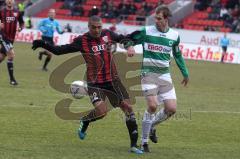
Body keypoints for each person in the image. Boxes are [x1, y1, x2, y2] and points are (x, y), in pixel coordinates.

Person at [32, 15, 143, 154]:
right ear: (89, 27)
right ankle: (85, 121)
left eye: (99, 27)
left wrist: (129, 46)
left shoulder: (108, 34)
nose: (97, 30)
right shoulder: (82, 41)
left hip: (113, 80)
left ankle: (133, 145)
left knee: (128, 108)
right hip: (94, 83)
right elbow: (60, 50)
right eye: (94, 28)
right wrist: (43, 44)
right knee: (102, 112)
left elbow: (123, 38)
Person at [126, 5, 189, 152]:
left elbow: (178, 55)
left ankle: (152, 125)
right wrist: (129, 46)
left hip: (164, 75)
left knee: (171, 109)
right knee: (153, 105)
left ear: (166, 19)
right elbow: (128, 38)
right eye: (155, 17)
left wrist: (185, 73)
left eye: (159, 18)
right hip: (148, 74)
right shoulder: (146, 31)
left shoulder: (174, 36)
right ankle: (144, 141)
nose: (156, 21)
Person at [0, 0, 24, 85]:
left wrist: (20, 28)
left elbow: (22, 23)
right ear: (6, 1)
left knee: (2, 56)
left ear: (13, 1)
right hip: (3, 36)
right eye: (8, 0)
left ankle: (12, 80)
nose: (9, 1)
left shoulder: (17, 12)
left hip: (11, 38)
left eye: (11, 0)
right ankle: (12, 80)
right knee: (11, 54)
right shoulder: (2, 11)